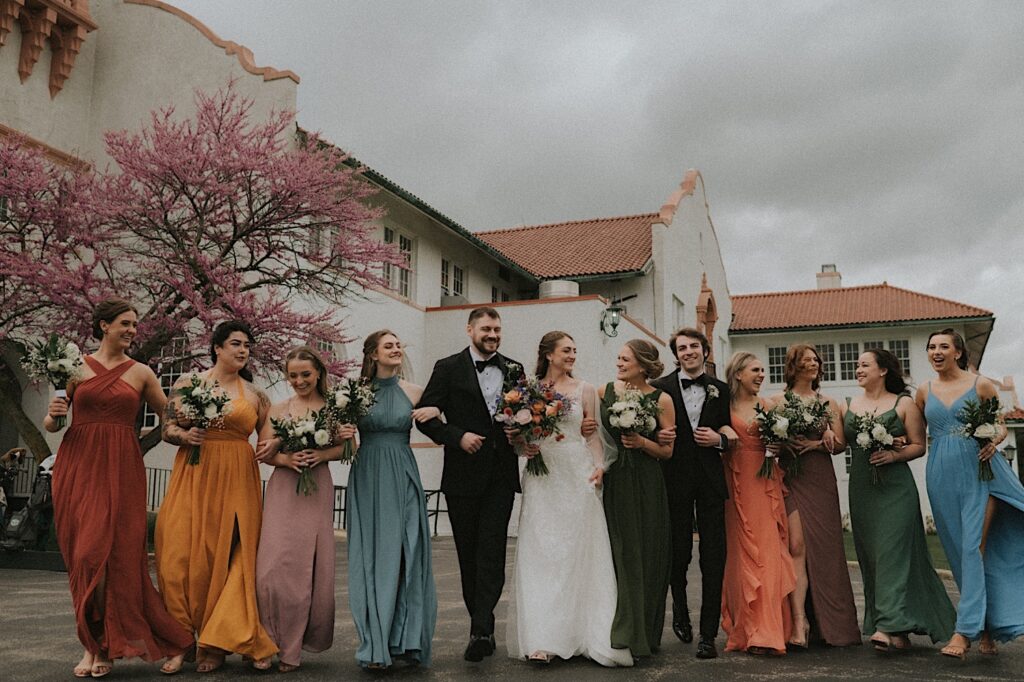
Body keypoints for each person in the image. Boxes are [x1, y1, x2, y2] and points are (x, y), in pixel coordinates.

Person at [46, 298, 193, 678]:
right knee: (83, 555)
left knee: (112, 556)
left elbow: (169, 417)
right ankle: (91, 644)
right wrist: (52, 415)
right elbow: (53, 425)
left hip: (122, 467)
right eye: (125, 323)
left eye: (134, 324)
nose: (131, 330)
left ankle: (103, 648)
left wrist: (193, 428)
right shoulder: (73, 367)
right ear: (103, 325)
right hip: (78, 464)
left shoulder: (142, 372)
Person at [156, 320, 278, 673]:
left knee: (228, 557)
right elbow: (167, 428)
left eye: (247, 346)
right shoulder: (187, 383)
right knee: (177, 555)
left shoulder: (256, 395)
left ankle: (216, 642)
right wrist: (185, 436)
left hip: (237, 477)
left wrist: (280, 444)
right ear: (217, 348)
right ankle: (180, 642)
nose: (243, 351)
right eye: (236, 344)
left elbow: (266, 441)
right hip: (193, 472)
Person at [506, 331, 633, 667]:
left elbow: (590, 435)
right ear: (548, 354)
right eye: (566, 350)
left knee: (578, 553)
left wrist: (599, 468)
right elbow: (519, 439)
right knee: (542, 553)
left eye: (575, 350)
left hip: (576, 473)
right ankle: (543, 638)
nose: (572, 355)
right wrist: (522, 445)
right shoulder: (526, 391)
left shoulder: (586, 389)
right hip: (543, 475)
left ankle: (583, 631)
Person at [416, 307, 523, 662]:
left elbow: (526, 416)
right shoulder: (447, 368)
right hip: (462, 476)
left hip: (501, 476)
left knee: (492, 550)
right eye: (486, 329)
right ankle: (481, 623)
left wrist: (521, 431)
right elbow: (425, 416)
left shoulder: (514, 369)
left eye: (497, 329)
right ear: (470, 329)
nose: (493, 334)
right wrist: (457, 436)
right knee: (468, 553)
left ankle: (481, 630)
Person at [916, 329, 1024, 658]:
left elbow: (1001, 423)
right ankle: (986, 626)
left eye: (943, 347)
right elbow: (919, 436)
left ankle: (963, 633)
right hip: (941, 475)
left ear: (958, 353)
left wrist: (994, 439)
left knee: (972, 546)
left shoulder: (981, 385)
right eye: (932, 347)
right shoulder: (923, 391)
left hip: (981, 471)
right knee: (960, 552)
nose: (936, 352)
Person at [842, 349, 954, 651]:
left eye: (864, 365)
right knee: (874, 557)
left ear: (882, 370)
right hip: (863, 489)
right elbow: (839, 444)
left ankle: (886, 626)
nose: (858, 369)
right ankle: (899, 631)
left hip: (896, 489)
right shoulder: (849, 405)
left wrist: (893, 453)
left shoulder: (903, 403)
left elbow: (919, 445)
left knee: (893, 553)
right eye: (857, 365)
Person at [254, 346, 353, 672]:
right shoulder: (278, 409)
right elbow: (264, 451)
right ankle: (266, 641)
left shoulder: (335, 409)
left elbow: (351, 447)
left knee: (304, 571)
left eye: (305, 375)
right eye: (293, 375)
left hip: (315, 489)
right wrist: (285, 458)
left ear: (319, 374)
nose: (299, 380)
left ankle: (291, 649)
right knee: (270, 570)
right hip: (283, 488)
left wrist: (321, 455)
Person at [346, 330, 438, 669]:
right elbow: (338, 432)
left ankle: (407, 639)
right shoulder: (356, 395)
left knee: (408, 551)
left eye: (399, 344)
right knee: (373, 557)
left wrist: (437, 410)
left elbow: (442, 421)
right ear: (372, 355)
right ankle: (375, 642)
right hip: (368, 474)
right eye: (389, 345)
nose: (397, 349)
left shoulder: (414, 392)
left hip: (403, 473)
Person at [770, 344, 859, 648]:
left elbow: (841, 444)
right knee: (796, 545)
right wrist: (784, 444)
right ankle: (798, 622)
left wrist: (824, 443)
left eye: (815, 359)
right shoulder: (778, 402)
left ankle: (830, 623)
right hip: (792, 476)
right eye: (806, 359)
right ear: (793, 366)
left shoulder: (829, 402)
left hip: (821, 478)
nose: (813, 363)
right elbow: (770, 443)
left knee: (826, 548)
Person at [651, 327, 731, 659]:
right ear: (676, 354)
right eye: (682, 348)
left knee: (713, 557)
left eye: (693, 346)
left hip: (711, 481)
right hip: (674, 479)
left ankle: (708, 635)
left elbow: (729, 426)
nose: (688, 352)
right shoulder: (660, 388)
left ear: (705, 350)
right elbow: (650, 427)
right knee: (679, 552)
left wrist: (720, 440)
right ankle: (680, 611)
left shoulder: (721, 389)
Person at [599, 339, 675, 657]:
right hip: (615, 479)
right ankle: (620, 629)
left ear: (642, 365)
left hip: (647, 481)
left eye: (625, 358)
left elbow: (667, 451)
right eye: (617, 357)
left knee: (648, 553)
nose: (618, 362)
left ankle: (645, 632)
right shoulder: (605, 392)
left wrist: (642, 442)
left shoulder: (662, 399)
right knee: (620, 551)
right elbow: (593, 436)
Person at [720, 352, 795, 655]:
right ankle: (745, 627)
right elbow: (710, 437)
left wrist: (779, 443)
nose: (762, 375)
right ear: (738, 374)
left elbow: (786, 445)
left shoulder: (770, 407)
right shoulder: (722, 408)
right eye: (755, 370)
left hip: (764, 484)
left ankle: (768, 630)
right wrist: (722, 433)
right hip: (733, 481)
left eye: (763, 370)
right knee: (739, 555)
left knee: (768, 552)